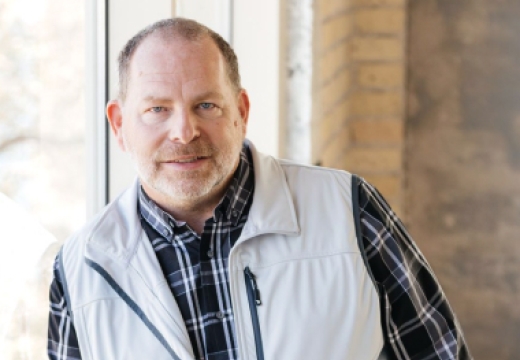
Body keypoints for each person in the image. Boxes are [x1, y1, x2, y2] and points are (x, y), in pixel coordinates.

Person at [47, 17, 471, 360]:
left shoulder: (349, 210)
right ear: (119, 126)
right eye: (157, 109)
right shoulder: (80, 271)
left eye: (206, 105)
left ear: (241, 112)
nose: (184, 131)